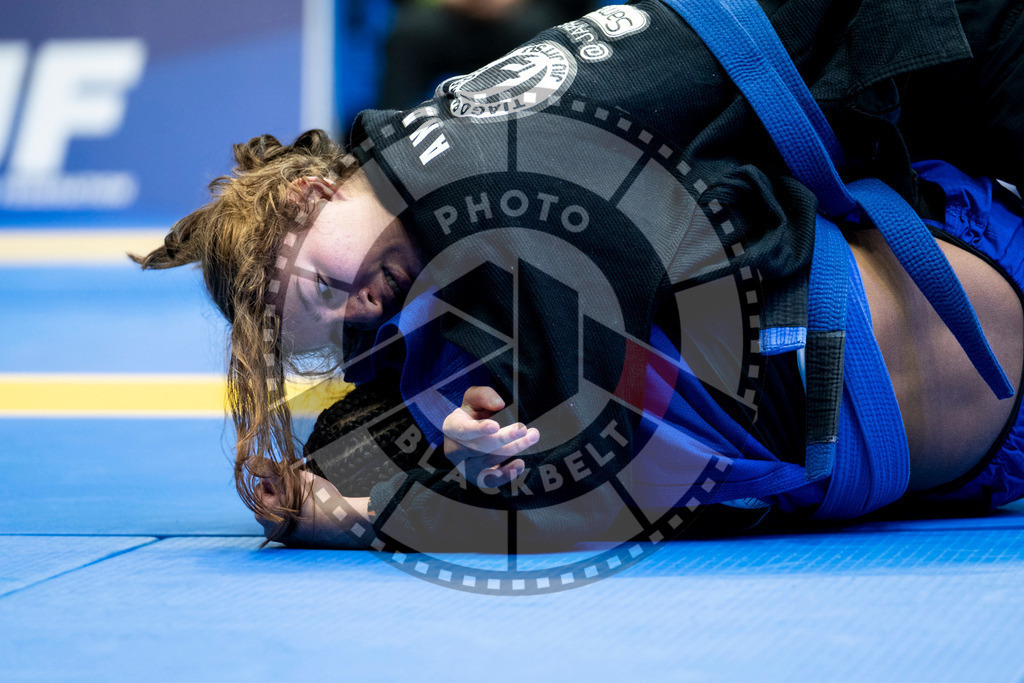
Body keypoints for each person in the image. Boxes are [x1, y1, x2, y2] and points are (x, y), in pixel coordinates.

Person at [133, 0, 1024, 550]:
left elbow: (561, 443)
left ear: (311, 191)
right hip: (904, 139)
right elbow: (390, 408)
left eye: (332, 287)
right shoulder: (401, 154)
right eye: (343, 325)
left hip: (939, 46)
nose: (366, 305)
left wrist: (388, 502)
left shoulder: (486, 191)